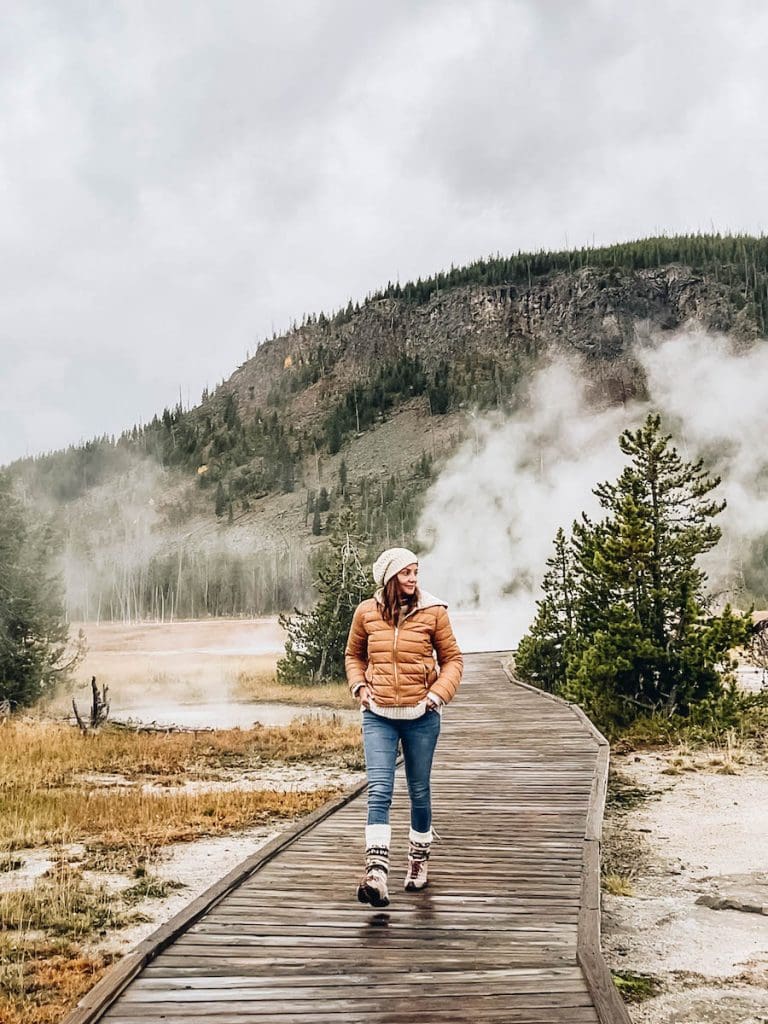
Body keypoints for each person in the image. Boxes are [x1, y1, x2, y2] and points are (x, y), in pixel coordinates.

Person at [345, 546, 463, 907]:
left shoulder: (434, 612)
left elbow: (453, 660)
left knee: (419, 791)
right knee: (379, 789)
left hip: (421, 717)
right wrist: (360, 686)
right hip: (378, 714)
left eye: (416, 572)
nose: (413, 578)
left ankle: (418, 861)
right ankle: (376, 873)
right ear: (389, 577)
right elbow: (354, 655)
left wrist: (437, 696)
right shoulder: (366, 612)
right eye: (406, 573)